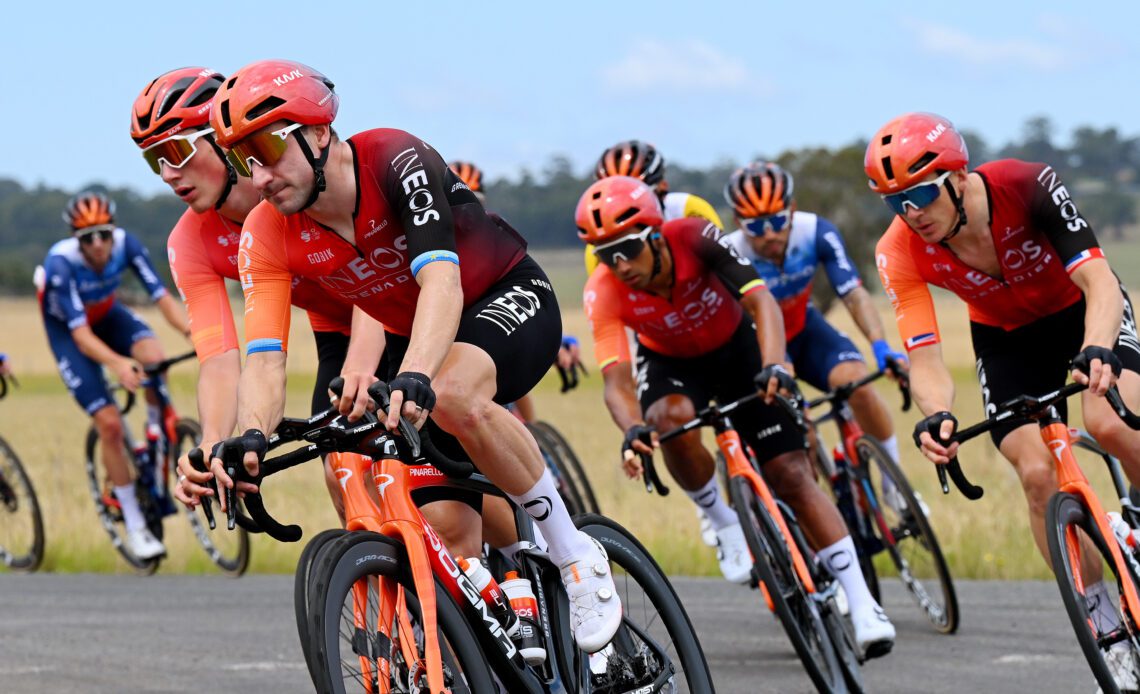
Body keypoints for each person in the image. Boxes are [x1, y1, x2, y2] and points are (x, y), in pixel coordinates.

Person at [198, 59, 620, 652]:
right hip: (419, 334)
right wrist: (249, 438)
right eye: (244, 161)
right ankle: (510, 613)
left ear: (319, 132)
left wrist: (416, 375)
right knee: (442, 517)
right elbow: (265, 358)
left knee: (451, 394)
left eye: (267, 148)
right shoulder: (265, 234)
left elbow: (442, 283)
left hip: (504, 295)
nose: (260, 175)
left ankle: (575, 553)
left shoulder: (395, 156)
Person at [869, 112, 1140, 687]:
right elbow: (926, 359)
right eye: (897, 203)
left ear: (959, 178)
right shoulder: (899, 252)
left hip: (1085, 310)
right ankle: (1105, 625)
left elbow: (1098, 281)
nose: (912, 213)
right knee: (1037, 471)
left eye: (919, 193)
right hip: (1007, 338)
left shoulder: (1027, 183)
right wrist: (936, 415)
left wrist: (1096, 349)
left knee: (1107, 419)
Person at [579, 175, 895, 656]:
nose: (620, 265)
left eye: (627, 248)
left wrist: (773, 362)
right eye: (606, 255)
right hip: (671, 366)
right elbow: (615, 383)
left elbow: (760, 299)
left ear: (656, 234)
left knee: (791, 472)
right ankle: (721, 517)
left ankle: (862, 600)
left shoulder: (694, 236)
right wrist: (632, 429)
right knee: (668, 419)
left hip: (737, 348)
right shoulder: (604, 290)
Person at [128, 67, 374, 523]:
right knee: (343, 470)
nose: (166, 173)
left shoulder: (300, 187)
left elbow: (376, 270)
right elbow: (219, 359)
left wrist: (363, 364)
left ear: (224, 140)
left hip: (393, 310)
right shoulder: (190, 241)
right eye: (152, 160)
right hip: (337, 331)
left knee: (448, 483)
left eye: (175, 151)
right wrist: (213, 443)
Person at [722, 162, 911, 511]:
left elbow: (852, 293)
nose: (768, 235)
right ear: (738, 223)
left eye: (777, 221)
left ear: (791, 210)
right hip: (764, 347)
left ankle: (893, 484)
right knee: (799, 431)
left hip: (807, 330)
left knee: (858, 385)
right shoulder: (730, 252)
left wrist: (880, 345)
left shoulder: (816, 232)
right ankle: (817, 513)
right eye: (755, 227)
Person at [38, 191, 190, 560]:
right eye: (88, 237)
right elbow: (81, 336)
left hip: (108, 315)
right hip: (72, 335)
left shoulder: (126, 246)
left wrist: (194, 332)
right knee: (108, 422)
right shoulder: (61, 265)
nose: (98, 244)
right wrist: (119, 365)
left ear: (114, 232)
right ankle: (135, 525)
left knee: (156, 357)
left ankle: (155, 435)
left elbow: (162, 296)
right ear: (77, 240)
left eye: (104, 234)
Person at [584, 140, 724, 275]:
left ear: (663, 186)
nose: (626, 208)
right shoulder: (596, 250)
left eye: (639, 196)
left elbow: (723, 263)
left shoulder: (689, 209)